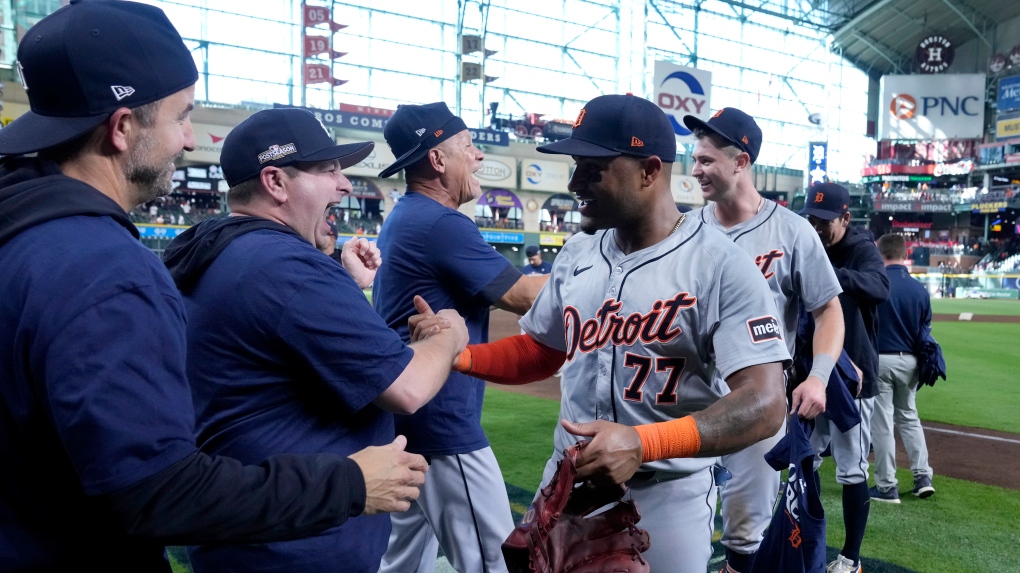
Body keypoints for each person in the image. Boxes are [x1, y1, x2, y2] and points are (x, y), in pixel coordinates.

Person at [0, 2, 430, 571]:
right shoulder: (102, 266)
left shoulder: (26, 233)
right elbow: (154, 492)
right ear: (123, 127)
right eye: (181, 116)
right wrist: (349, 482)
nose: (186, 138)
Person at [439, 94, 790, 573]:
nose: (575, 181)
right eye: (576, 164)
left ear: (649, 170)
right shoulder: (578, 253)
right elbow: (542, 351)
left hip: (666, 499)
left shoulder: (720, 265)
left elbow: (766, 403)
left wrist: (647, 444)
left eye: (593, 167)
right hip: (566, 482)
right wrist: (460, 358)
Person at [161, 108, 469, 573]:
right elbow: (407, 388)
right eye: (327, 170)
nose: (345, 184)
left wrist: (343, 282)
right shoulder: (284, 266)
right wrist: (448, 336)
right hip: (296, 546)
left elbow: (276, 348)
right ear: (276, 182)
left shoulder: (224, 247)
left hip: (256, 533)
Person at [373, 102, 549, 573]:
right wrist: (603, 271)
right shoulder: (440, 222)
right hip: (442, 423)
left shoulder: (407, 215)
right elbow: (524, 296)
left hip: (409, 419)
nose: (476, 157)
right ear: (437, 159)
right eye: (468, 146)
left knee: (403, 561)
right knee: (495, 559)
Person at [684, 107, 845, 573]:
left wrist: (817, 377)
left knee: (744, 538)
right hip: (690, 400)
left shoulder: (791, 231)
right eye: (694, 160)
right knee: (678, 524)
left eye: (707, 160)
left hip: (758, 403)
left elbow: (828, 309)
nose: (696, 170)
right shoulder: (687, 230)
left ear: (741, 161)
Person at [801, 183, 890, 573]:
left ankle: (850, 558)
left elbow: (879, 286)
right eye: (812, 219)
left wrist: (829, 275)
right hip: (811, 373)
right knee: (807, 462)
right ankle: (810, 544)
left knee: (852, 467)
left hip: (853, 379)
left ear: (846, 218)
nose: (816, 227)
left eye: (825, 221)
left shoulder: (862, 249)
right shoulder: (806, 243)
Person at [870, 233, 935, 503]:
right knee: (909, 418)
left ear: (879, 253)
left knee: (882, 423)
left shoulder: (875, 283)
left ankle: (887, 487)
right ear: (905, 254)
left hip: (880, 359)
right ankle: (922, 477)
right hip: (910, 362)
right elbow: (926, 331)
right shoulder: (920, 289)